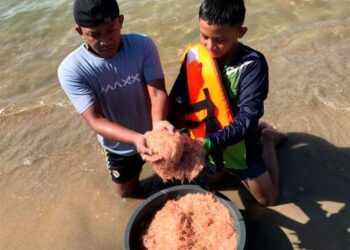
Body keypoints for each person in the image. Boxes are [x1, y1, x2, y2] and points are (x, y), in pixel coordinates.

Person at [169, 0, 287, 206]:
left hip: (239, 139)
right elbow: (177, 100)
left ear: (240, 32)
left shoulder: (253, 64)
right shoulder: (194, 56)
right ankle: (240, 151)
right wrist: (168, 131)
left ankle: (267, 139)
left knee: (268, 199)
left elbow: (248, 117)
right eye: (204, 36)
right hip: (205, 139)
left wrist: (208, 144)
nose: (210, 46)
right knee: (216, 181)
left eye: (220, 40)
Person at [58, 0, 173, 198]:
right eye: (94, 34)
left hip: (154, 129)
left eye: (111, 30)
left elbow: (157, 91)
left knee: (175, 177)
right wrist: (137, 138)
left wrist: (156, 128)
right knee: (126, 195)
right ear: (80, 32)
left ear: (120, 21)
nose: (105, 41)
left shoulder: (142, 45)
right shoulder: (71, 69)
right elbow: (95, 120)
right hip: (118, 145)